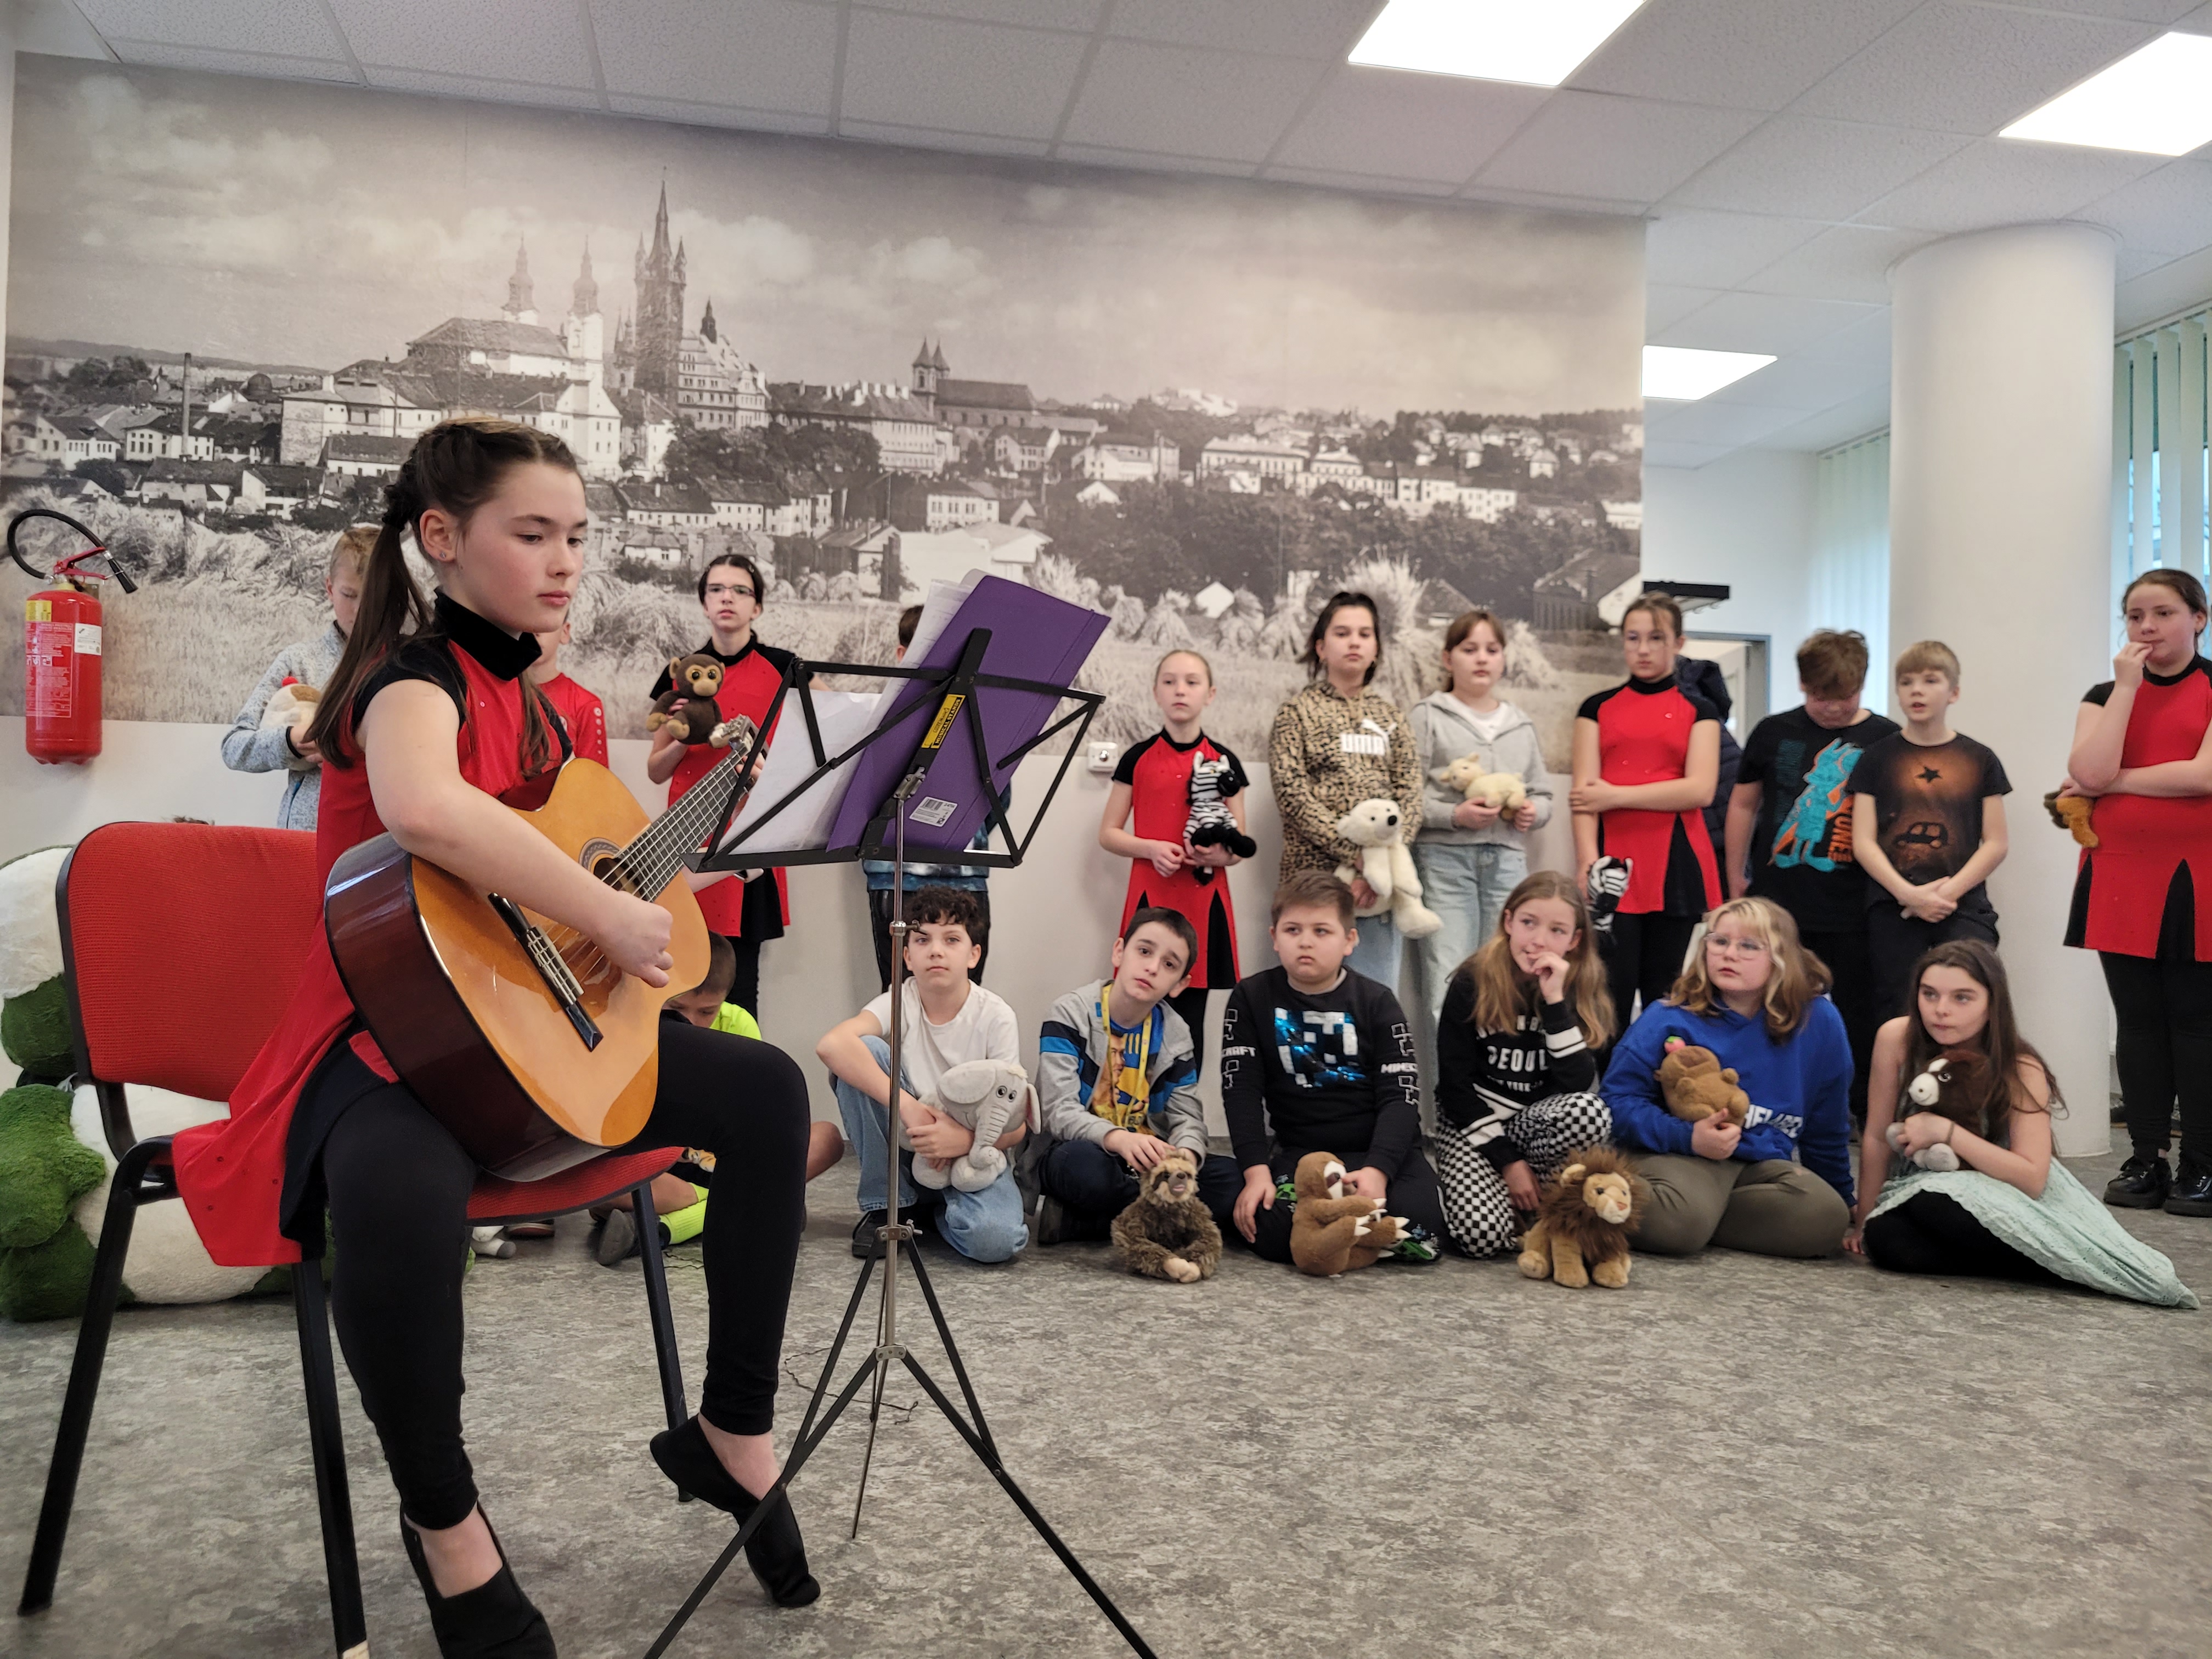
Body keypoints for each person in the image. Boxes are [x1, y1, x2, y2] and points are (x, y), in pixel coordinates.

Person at [170, 419, 819, 1655]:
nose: (566, 560)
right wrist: (610, 914)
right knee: (400, 1196)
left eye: (577, 534)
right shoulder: (404, 682)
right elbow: (427, 811)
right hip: (382, 1040)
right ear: (442, 537)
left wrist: (661, 889)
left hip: (514, 1025)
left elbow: (555, 879)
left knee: (766, 1092)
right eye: (533, 533)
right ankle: (448, 1524)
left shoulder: (536, 705)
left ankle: (732, 1427)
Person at [1850, 941, 2196, 1306]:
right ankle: (2029, 1264)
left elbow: (2031, 1177)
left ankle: (2053, 1260)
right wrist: (1863, 1222)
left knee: (1937, 1202)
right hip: (1920, 1182)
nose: (1941, 1010)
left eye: (1962, 998)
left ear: (1992, 1004)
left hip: (2005, 1188)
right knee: (1885, 1236)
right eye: (1930, 994)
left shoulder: (2020, 1065)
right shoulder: (1896, 1037)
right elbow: (1876, 1137)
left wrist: (1946, 1133)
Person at [2065, 570, 2212, 1217]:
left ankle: (2202, 1164)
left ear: (2199, 618)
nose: (2147, 627)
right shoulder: (2104, 694)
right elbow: (2085, 771)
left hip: (2200, 876)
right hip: (2119, 873)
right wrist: (2126, 687)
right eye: (2134, 615)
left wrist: (2116, 781)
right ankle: (2146, 1158)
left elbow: (2204, 775)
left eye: (2164, 613)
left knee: (2197, 1023)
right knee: (2139, 1021)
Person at [1601, 896, 1854, 1259]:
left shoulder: (1819, 1021)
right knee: (1680, 1224)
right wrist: (1689, 1137)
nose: (1729, 954)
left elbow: (1826, 1126)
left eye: (1748, 946)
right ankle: (1610, 1196)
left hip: (1758, 1167)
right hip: (1677, 1154)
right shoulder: (1668, 1016)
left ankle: (1693, 1217)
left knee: (1827, 1217)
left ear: (1782, 958)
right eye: (1719, 941)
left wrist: (1844, 1198)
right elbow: (1615, 1103)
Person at [1221, 870, 1444, 1265]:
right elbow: (1241, 1092)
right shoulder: (1251, 997)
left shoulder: (1378, 1001)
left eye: (1321, 931)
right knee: (1267, 1226)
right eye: (1293, 930)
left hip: (1377, 1151)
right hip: (1305, 1156)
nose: (1305, 941)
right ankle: (1364, 1238)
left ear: (1349, 940)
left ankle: (1330, 1241)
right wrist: (1256, 1173)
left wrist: (1378, 1171)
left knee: (1424, 1226)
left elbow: (1401, 1097)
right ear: (1275, 937)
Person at [1725, 629, 1901, 1121]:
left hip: (1856, 905)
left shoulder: (1886, 739)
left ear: (1862, 684)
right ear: (1803, 684)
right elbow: (1743, 804)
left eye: (1846, 696)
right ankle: (1769, 1100)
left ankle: (1856, 1108)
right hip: (1780, 903)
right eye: (1822, 696)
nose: (1834, 708)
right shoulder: (1773, 732)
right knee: (1774, 1005)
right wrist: (1734, 876)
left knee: (1857, 1012)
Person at [590, 936, 848, 1266]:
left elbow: (753, 1112)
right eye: (676, 1009)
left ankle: (664, 1229)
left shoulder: (740, 1023)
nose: (692, 1023)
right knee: (600, 1187)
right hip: (664, 1165)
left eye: (707, 1012)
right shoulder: (636, 1025)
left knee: (828, 1138)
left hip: (729, 1165)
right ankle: (767, 1207)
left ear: (725, 999)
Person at [816, 885, 1029, 1264]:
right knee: (862, 1051)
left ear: (974, 954)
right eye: (922, 939)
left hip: (970, 1157)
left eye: (952, 939)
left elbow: (1016, 1126)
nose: (936, 950)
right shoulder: (898, 1001)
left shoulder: (997, 1016)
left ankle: (935, 1211)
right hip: (907, 1147)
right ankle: (890, 1206)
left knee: (996, 1241)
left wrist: (963, 1140)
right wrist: (910, 1107)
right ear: (907, 956)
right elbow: (831, 1045)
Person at [1030, 907, 1242, 1244]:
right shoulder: (1070, 1013)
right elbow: (1058, 1112)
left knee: (1231, 1181)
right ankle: (1168, 1220)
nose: (1153, 967)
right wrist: (1119, 1139)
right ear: (1119, 952)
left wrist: (1185, 1157)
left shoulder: (1176, 1034)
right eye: (1144, 951)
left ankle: (1087, 1224)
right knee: (1081, 1167)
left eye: (1169, 964)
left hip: (1148, 1162)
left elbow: (1188, 1118)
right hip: (1084, 1149)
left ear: (1180, 984)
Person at [1432, 870, 1615, 1258]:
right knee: (1481, 1238)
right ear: (1509, 922)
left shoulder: (1580, 985)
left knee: (1590, 1112)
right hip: (1473, 1123)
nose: (1539, 940)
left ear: (1574, 940)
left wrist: (1554, 1003)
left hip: (1535, 1124)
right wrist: (1508, 1163)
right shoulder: (1471, 981)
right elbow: (1454, 1087)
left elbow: (1578, 1084)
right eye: (1529, 923)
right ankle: (1506, 1199)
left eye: (1556, 931)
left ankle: (1545, 1209)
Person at [647, 551, 796, 1019]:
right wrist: (683, 739)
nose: (727, 598)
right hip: (685, 838)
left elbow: (816, 752)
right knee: (677, 989)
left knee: (739, 992)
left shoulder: (784, 668)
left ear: (757, 606)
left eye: (740, 590)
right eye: (716, 589)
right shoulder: (681, 673)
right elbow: (656, 770)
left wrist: (767, 773)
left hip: (748, 840)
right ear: (704, 603)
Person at [1570, 591, 1723, 1029]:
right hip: (1612, 868)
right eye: (1633, 638)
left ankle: (1662, 1075)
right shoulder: (1596, 709)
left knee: (1668, 998)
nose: (1643, 649)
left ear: (1678, 643)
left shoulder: (1701, 710)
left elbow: (1699, 790)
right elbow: (1584, 798)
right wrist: (1586, 862)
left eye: (1656, 638)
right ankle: (1611, 1078)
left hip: (1678, 866)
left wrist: (1615, 796)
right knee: (1607, 999)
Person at [1101, 648, 1250, 1069]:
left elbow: (1239, 845)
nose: (1180, 690)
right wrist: (1150, 848)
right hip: (1150, 898)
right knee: (1133, 1011)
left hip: (1204, 902)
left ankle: (1184, 1106)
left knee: (1190, 1022)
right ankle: (1126, 1103)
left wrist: (1217, 853)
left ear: (1210, 693)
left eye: (1191, 682)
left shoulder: (1226, 762)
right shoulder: (1137, 758)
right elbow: (1108, 834)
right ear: (1156, 693)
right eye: (1169, 682)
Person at [1269, 591, 1421, 995]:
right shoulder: (1296, 713)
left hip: (1377, 893)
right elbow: (1292, 794)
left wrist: (1379, 867)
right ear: (1321, 647)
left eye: (1365, 634)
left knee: (1372, 1005)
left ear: (1376, 649)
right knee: (1306, 1007)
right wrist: (1354, 856)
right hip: (1310, 886)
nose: (1354, 642)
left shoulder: (1392, 717)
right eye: (1342, 633)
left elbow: (1410, 795)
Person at [1852, 641, 2010, 1022]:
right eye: (1906, 683)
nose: (1917, 691)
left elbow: (1996, 843)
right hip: (1894, 906)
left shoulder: (1980, 759)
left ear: (1953, 692)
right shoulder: (1876, 758)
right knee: (1898, 1008)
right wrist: (1909, 895)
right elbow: (1863, 841)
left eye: (1930, 681)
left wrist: (1946, 894)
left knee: (1968, 1004)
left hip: (1962, 906)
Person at [1408, 609, 1550, 1022]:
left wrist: (1534, 812)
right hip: (1444, 864)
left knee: (1504, 980)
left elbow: (1543, 793)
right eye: (1470, 649)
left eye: (1492, 650)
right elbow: (1404, 797)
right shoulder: (1428, 715)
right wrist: (1455, 815)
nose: (1482, 659)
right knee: (1447, 981)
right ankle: (1446, 1070)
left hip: (1508, 865)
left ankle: (1493, 1066)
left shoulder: (1520, 724)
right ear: (1448, 658)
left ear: (1504, 658)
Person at [864, 603, 993, 989]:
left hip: (966, 877)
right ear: (902, 655)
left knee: (966, 999)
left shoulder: (980, 721)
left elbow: (995, 801)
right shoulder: (879, 719)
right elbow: (862, 801)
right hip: (896, 879)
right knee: (901, 998)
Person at [221, 525, 373, 831]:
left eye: (372, 597)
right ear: (329, 588)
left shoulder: (408, 666)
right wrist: (291, 741)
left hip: (383, 839)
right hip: (306, 839)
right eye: (349, 595)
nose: (359, 609)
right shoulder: (300, 661)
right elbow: (234, 747)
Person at [528, 617, 606, 764]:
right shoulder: (497, 697)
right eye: (527, 621)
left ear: (564, 632)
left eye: (546, 622)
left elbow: (591, 776)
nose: (536, 631)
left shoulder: (586, 704)